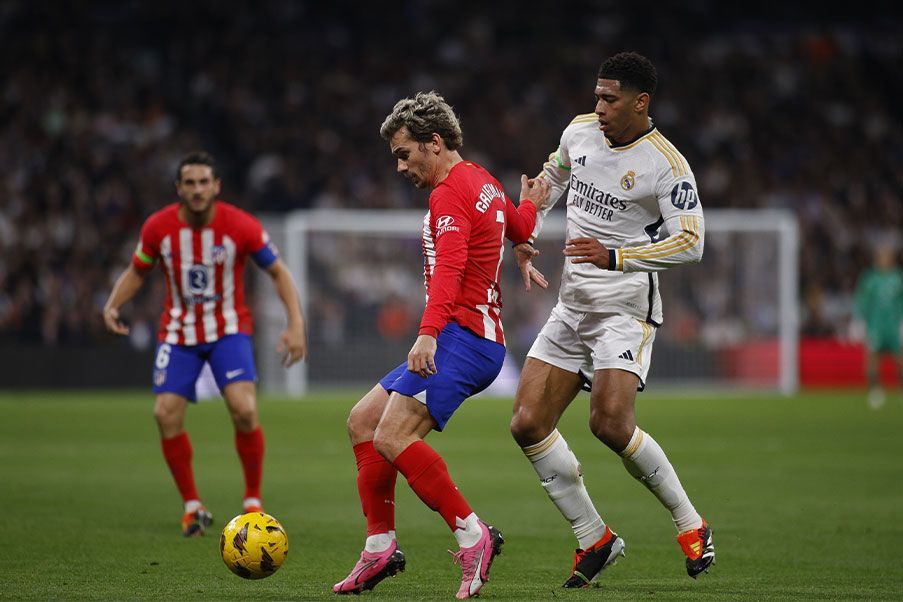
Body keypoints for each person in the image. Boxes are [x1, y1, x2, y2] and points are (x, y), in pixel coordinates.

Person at [332, 91, 550, 599]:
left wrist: (426, 334)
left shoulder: (449, 193)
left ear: (434, 142)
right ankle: (379, 547)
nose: (401, 166)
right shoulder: (486, 182)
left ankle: (474, 537)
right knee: (363, 422)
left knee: (391, 436)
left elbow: (450, 271)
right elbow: (519, 227)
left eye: (405, 154)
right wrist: (531, 206)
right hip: (470, 336)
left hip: (464, 338)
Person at [509, 51, 715, 587]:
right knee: (527, 422)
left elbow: (691, 241)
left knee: (609, 423)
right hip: (573, 304)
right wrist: (526, 232)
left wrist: (616, 256)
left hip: (625, 308)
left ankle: (691, 524)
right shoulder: (578, 133)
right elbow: (550, 179)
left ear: (640, 102)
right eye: (596, 96)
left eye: (610, 98)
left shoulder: (666, 164)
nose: (597, 107)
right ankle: (593, 537)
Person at [102, 151, 307, 537]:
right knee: (164, 414)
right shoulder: (158, 228)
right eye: (189, 183)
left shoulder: (240, 226)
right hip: (178, 334)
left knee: (245, 410)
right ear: (179, 188)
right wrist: (113, 304)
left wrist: (296, 323)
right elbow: (137, 271)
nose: (197, 190)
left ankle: (252, 502)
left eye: (203, 182)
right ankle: (192, 507)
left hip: (229, 331)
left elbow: (278, 273)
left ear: (216, 187)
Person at [853, 244, 903, 409]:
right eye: (881, 256)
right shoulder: (870, 278)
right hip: (876, 325)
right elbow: (863, 301)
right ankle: (874, 390)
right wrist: (859, 321)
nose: (883, 259)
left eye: (887, 256)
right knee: (873, 357)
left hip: (894, 326)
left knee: (900, 358)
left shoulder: (898, 278)